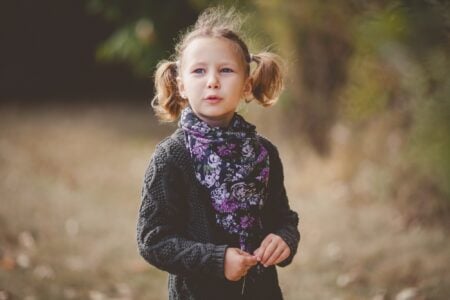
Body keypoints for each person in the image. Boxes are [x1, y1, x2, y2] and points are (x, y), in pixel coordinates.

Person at [137, 6, 300, 300]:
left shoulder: (264, 153)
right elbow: (153, 239)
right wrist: (217, 260)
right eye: (199, 71)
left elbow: (283, 217)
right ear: (181, 85)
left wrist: (284, 238)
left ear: (247, 84)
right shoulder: (171, 158)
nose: (212, 80)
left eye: (225, 70)